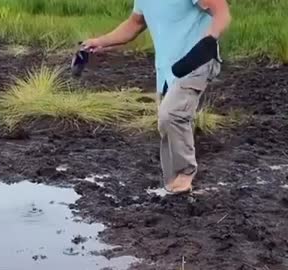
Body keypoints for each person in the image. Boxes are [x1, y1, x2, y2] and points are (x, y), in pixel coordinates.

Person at [82, 0, 231, 194]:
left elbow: (222, 11)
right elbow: (134, 24)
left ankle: (185, 174)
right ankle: (174, 186)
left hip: (197, 60)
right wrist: (99, 42)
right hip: (167, 68)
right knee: (165, 122)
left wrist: (209, 40)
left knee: (172, 114)